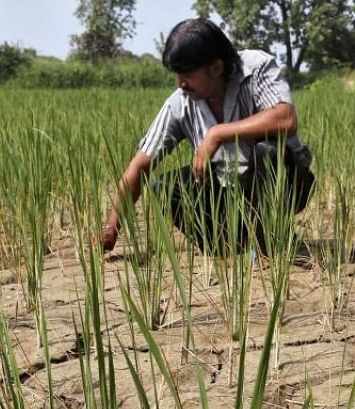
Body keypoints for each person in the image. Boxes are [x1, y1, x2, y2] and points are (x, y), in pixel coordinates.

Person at [100, 18, 315, 255]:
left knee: (268, 151)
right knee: (165, 187)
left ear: (216, 68)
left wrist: (218, 133)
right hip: (230, 192)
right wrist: (112, 226)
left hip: (285, 183)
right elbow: (141, 164)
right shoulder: (179, 104)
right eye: (177, 75)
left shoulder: (256, 68)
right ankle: (231, 246)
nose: (180, 83)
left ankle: (269, 244)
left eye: (188, 74)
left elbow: (285, 119)